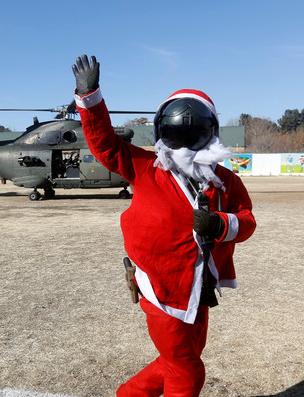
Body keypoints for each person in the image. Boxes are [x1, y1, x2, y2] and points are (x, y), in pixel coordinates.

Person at [71, 55, 256, 396]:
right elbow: (105, 144)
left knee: (180, 357)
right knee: (186, 369)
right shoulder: (145, 167)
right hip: (161, 288)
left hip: (200, 288)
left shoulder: (224, 180)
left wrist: (222, 225)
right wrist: (90, 98)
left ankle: (129, 394)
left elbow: (246, 220)